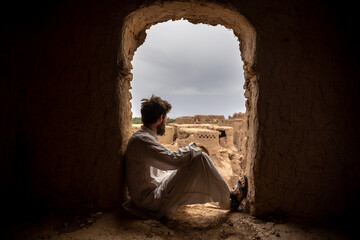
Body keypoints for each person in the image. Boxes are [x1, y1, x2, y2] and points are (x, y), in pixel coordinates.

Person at [123, 95, 247, 219]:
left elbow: (169, 160)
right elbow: (172, 160)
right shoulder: (142, 140)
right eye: (166, 118)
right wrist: (196, 147)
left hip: (153, 192)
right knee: (200, 158)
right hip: (150, 200)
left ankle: (223, 197)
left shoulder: (143, 137)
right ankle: (230, 200)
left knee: (193, 158)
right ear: (161, 118)